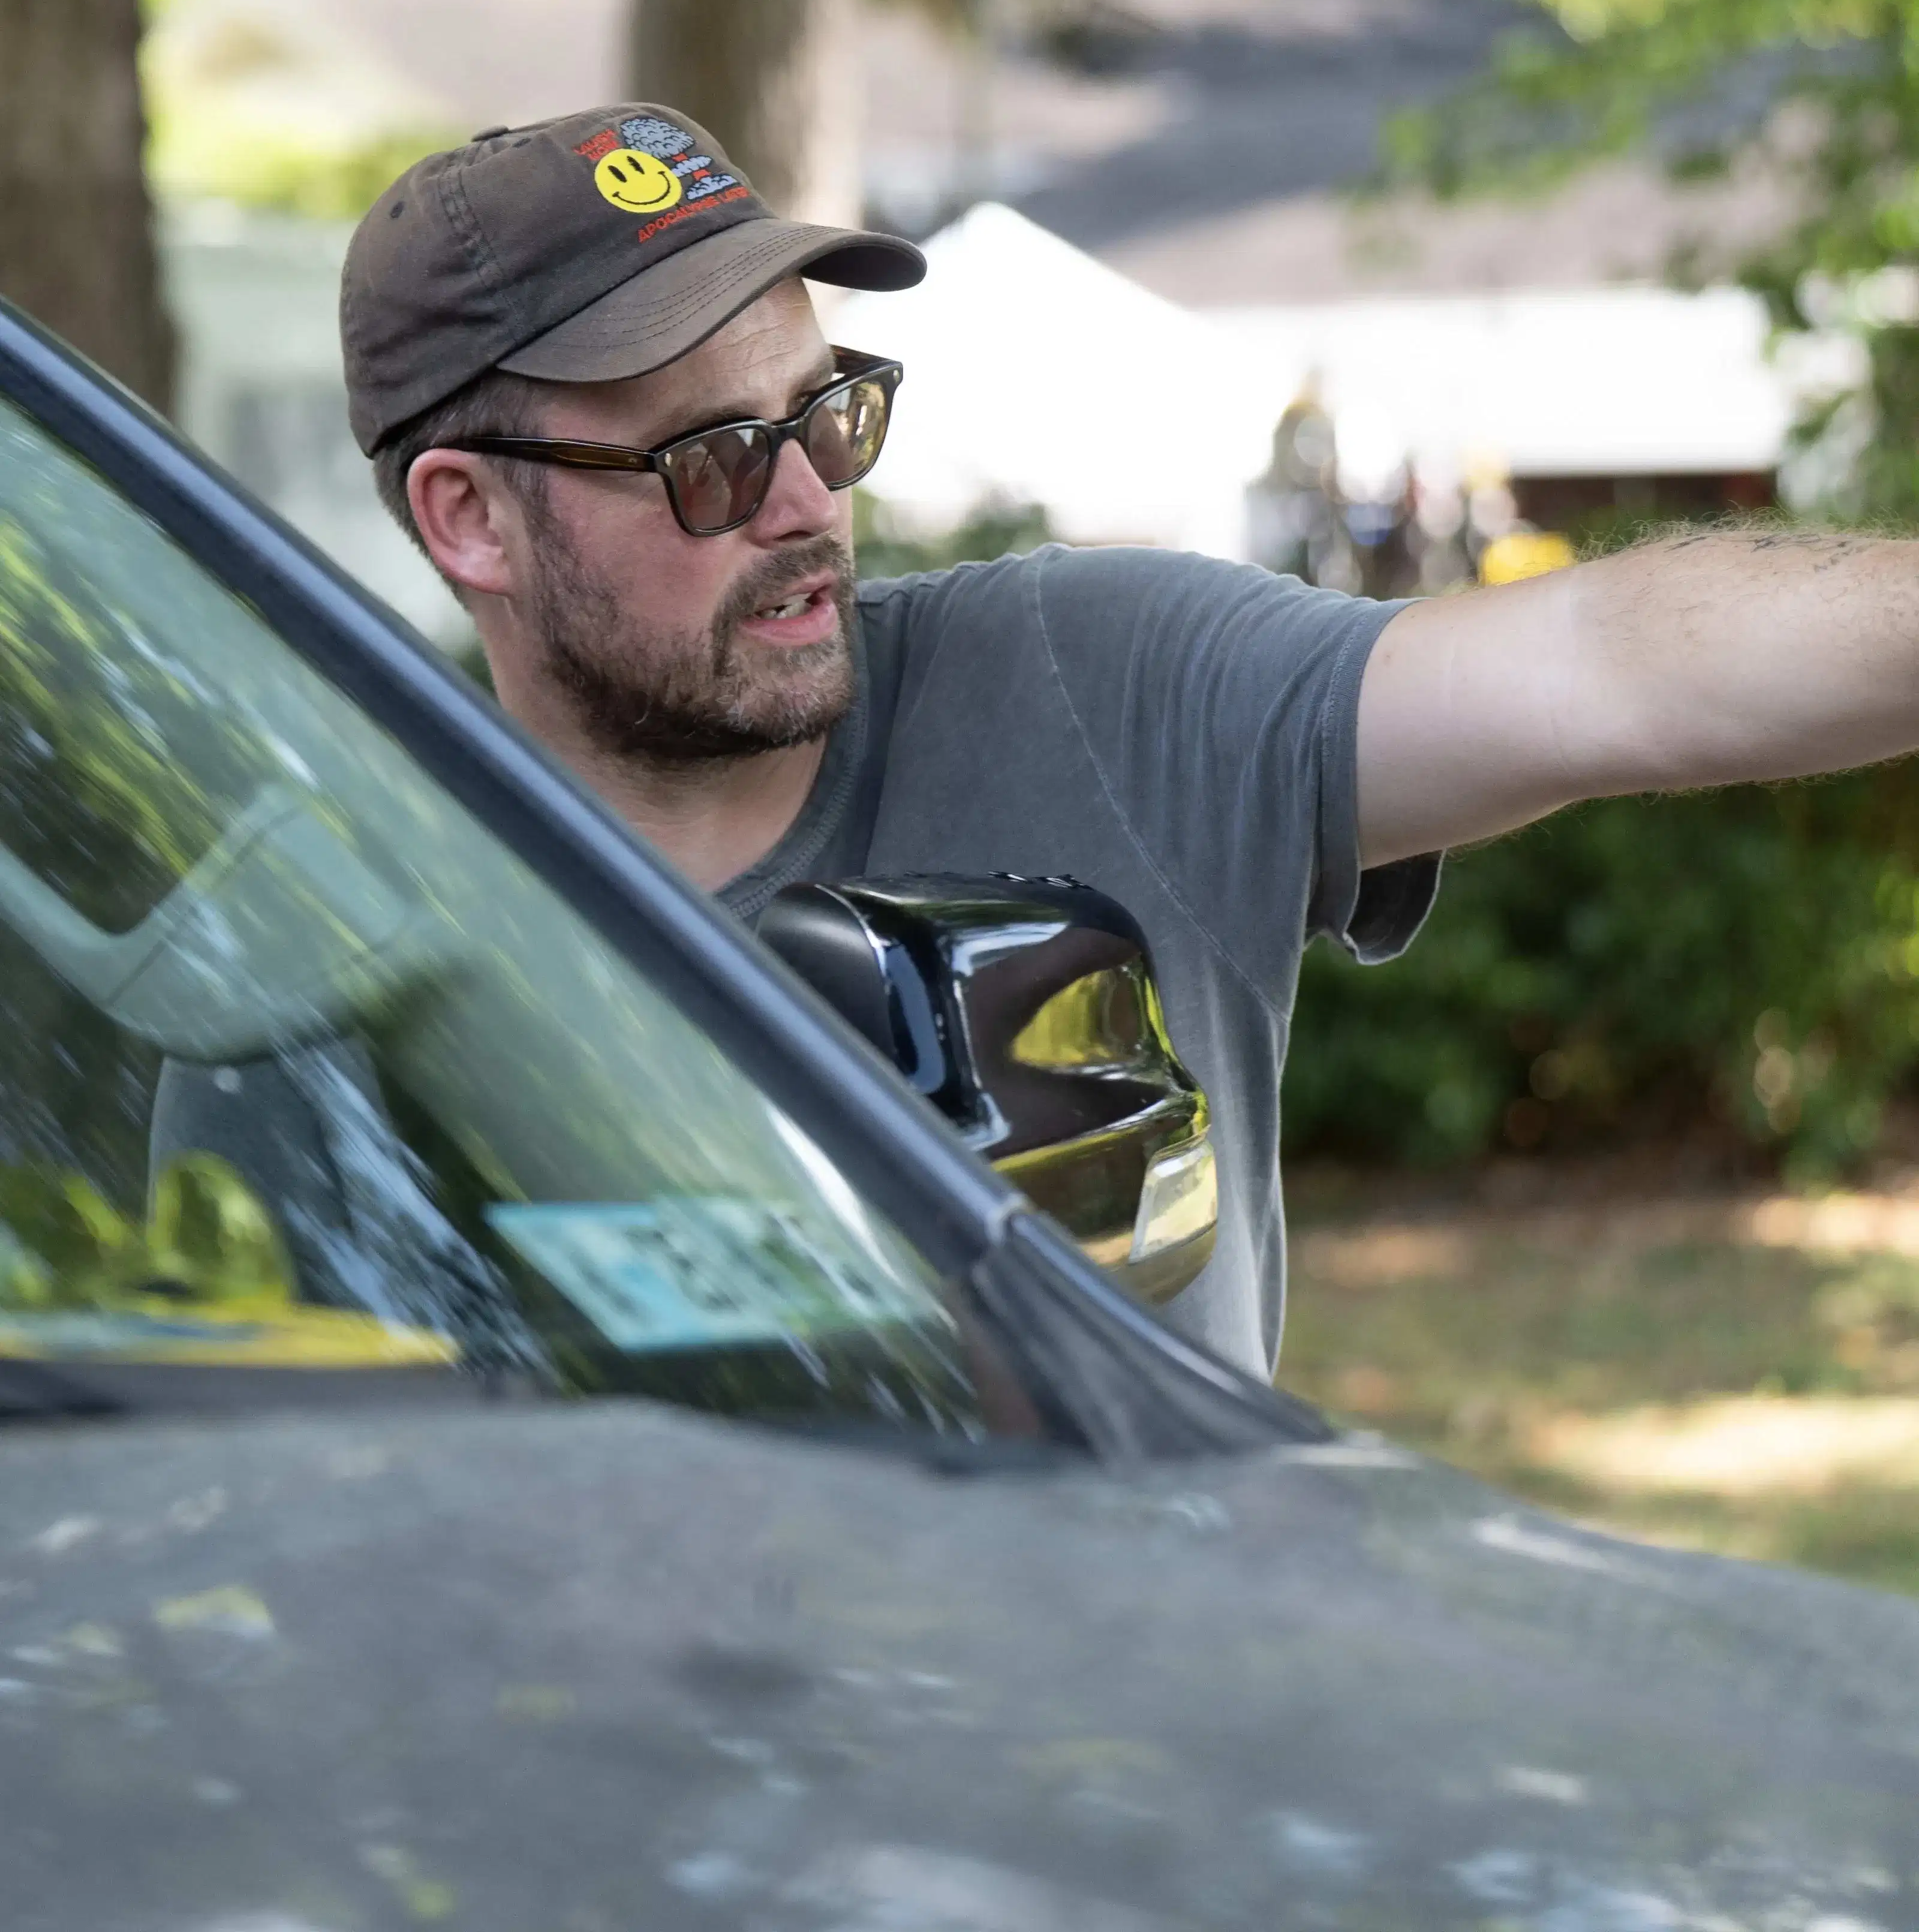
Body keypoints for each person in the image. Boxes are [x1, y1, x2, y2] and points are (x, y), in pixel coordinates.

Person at [342, 104, 1919, 1380]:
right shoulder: (329, 958)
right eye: (713, 457)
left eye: (828, 416)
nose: (813, 504)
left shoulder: (1090, 688)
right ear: (469, 518)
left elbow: (1607, 662)